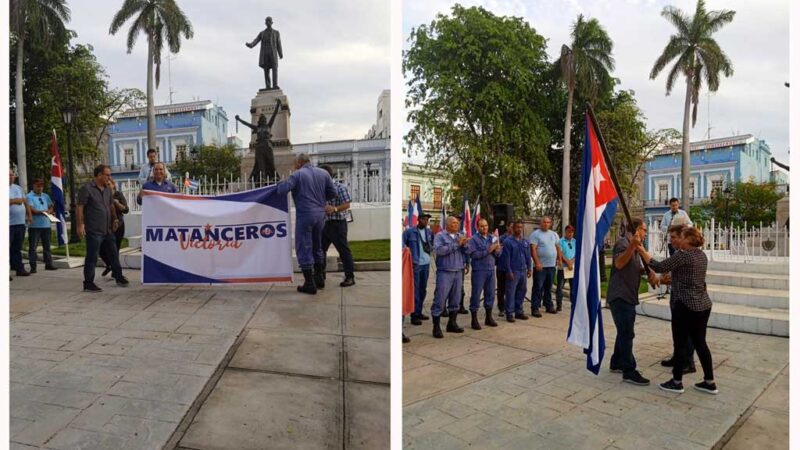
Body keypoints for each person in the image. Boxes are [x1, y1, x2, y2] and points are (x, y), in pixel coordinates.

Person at [638, 227, 718, 395]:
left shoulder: (682, 255)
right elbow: (685, 277)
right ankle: (709, 381)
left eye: (680, 237)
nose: (677, 240)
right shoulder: (701, 255)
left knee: (680, 343)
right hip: (703, 305)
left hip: (685, 306)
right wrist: (666, 280)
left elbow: (658, 266)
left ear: (688, 239)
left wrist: (641, 249)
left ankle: (676, 381)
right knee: (700, 343)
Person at [276, 154, 337, 294]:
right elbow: (333, 193)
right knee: (318, 246)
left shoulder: (298, 175)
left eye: (294, 164)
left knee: (303, 247)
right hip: (320, 215)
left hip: (305, 215)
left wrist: (279, 183)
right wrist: (321, 199)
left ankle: (309, 283)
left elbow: (282, 190)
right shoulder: (324, 173)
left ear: (299, 163)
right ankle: (320, 278)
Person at [607, 219, 654, 386]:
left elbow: (630, 266)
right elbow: (619, 263)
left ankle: (617, 362)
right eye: (644, 230)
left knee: (623, 331)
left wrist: (644, 271)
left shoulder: (633, 246)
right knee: (627, 334)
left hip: (628, 295)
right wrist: (632, 246)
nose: (645, 233)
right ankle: (629, 370)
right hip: (620, 296)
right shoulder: (623, 243)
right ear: (636, 230)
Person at [77, 165, 129, 292]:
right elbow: (79, 208)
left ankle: (118, 276)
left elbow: (111, 205)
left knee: (113, 254)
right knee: (92, 257)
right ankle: (88, 283)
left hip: (107, 230)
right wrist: (80, 225)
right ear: (99, 175)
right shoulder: (86, 189)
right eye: (107, 175)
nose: (109, 178)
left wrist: (115, 219)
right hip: (94, 230)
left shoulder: (106, 189)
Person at [658, 224, 697, 374]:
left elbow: (660, 266)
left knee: (686, 332)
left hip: (687, 299)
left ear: (683, 237)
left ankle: (688, 362)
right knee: (677, 330)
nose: (671, 240)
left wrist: (642, 250)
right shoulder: (678, 252)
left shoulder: (687, 253)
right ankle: (678, 356)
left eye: (673, 237)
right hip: (677, 296)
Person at [430, 216, 468, 338]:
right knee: (440, 299)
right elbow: (439, 251)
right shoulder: (440, 236)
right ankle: (436, 327)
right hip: (445, 271)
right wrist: (456, 244)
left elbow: (467, 251)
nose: (456, 225)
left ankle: (452, 323)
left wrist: (465, 244)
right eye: (453, 223)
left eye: (457, 223)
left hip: (458, 270)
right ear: (447, 225)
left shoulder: (460, 235)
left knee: (456, 299)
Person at [319, 165, 355, 287]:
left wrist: (334, 209)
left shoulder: (340, 187)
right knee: (320, 250)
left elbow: (347, 204)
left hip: (338, 224)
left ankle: (350, 277)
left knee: (343, 251)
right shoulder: (320, 189)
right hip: (324, 224)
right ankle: (320, 275)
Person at [465, 218, 502, 329]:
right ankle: (474, 319)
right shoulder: (474, 240)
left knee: (490, 294)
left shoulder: (492, 238)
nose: (484, 228)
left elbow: (498, 255)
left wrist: (497, 250)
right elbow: (474, 255)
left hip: (491, 270)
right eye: (482, 226)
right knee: (476, 294)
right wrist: (488, 250)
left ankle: (488, 317)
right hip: (479, 271)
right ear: (477, 227)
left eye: (486, 226)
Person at [402, 213, 434, 325]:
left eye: (427, 220)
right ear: (418, 220)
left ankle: (419, 311)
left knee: (422, 289)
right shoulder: (410, 232)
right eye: (424, 219)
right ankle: (414, 315)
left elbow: (432, 245)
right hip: (415, 265)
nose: (426, 221)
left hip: (426, 264)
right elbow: (402, 243)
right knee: (415, 290)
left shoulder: (429, 232)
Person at [529, 216, 564, 316]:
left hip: (551, 266)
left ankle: (548, 305)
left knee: (548, 287)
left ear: (550, 223)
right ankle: (535, 308)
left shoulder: (554, 234)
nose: (546, 224)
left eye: (548, 222)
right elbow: (533, 249)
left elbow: (558, 247)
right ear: (540, 223)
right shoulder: (535, 234)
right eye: (544, 222)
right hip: (540, 267)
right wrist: (537, 262)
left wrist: (560, 260)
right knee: (538, 287)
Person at [500, 220, 532, 322]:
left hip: (523, 270)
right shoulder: (508, 242)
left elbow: (528, 256)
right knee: (510, 292)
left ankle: (519, 311)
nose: (519, 229)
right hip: (513, 271)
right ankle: (509, 313)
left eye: (521, 227)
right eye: (517, 227)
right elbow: (506, 259)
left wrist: (529, 268)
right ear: (513, 228)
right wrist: (509, 271)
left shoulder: (525, 241)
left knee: (522, 291)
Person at [26, 178, 58, 273]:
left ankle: (49, 264)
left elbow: (51, 207)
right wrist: (43, 212)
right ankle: (33, 266)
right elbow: (31, 210)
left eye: (41, 186)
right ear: (33, 186)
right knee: (33, 247)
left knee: (47, 246)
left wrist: (50, 211)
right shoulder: (29, 196)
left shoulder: (45, 196)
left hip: (46, 225)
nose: (40, 188)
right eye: (38, 186)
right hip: (34, 226)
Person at [100, 178, 129, 277]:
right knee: (100, 248)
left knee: (115, 249)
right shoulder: (102, 195)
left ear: (113, 185)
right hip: (105, 225)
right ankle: (109, 265)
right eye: (106, 184)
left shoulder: (118, 194)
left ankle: (115, 272)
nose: (107, 186)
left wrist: (116, 203)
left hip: (118, 225)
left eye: (109, 184)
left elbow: (126, 209)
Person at [246, 16, 283, 90]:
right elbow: (256, 40)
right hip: (265, 53)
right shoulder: (262, 33)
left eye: (269, 21)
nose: (268, 22)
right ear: (265, 23)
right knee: (266, 70)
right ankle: (268, 86)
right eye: (267, 21)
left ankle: (275, 84)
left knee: (274, 68)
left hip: (273, 52)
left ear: (271, 23)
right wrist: (251, 45)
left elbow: (279, 43)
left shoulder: (276, 33)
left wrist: (280, 53)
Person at [9, 168, 32, 277]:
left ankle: (19, 268)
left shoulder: (18, 188)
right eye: (8, 175)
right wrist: (16, 201)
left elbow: (25, 202)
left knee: (17, 248)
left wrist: (29, 215)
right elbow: (19, 201)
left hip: (20, 223)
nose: (11, 177)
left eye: (12, 175)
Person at [555, 225, 576, 311]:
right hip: (563, 267)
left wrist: (572, 261)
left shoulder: (575, 241)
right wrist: (567, 261)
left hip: (573, 267)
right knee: (560, 286)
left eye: (572, 232)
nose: (570, 234)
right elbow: (560, 252)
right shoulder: (560, 241)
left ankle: (573, 303)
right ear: (565, 232)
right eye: (569, 232)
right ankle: (559, 305)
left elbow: (577, 252)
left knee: (573, 286)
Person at [495, 226, 513, 315]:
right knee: (501, 289)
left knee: (510, 289)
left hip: (512, 268)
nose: (513, 228)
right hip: (501, 267)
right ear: (508, 227)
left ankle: (509, 306)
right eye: (511, 226)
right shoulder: (501, 238)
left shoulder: (517, 239)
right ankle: (501, 308)